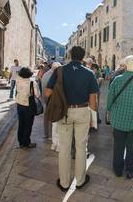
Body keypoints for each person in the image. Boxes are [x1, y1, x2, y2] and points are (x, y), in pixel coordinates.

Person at [44, 46, 99, 192]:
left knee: (65, 148)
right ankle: (80, 180)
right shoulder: (89, 73)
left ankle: (64, 182)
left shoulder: (59, 70)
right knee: (81, 147)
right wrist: (93, 119)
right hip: (82, 111)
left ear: (69, 55)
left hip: (64, 112)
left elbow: (48, 92)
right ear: (82, 57)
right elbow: (93, 100)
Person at [107, 55, 133, 179]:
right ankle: (131, 169)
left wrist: (109, 110)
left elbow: (110, 98)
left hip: (118, 119)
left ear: (125, 65)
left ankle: (118, 169)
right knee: (132, 146)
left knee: (118, 145)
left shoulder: (117, 80)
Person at [16, 67, 40, 148]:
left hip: (19, 105)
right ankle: (26, 142)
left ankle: (21, 142)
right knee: (28, 125)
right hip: (28, 106)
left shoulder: (18, 81)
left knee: (21, 124)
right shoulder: (32, 83)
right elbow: (37, 95)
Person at [41, 62, 62, 142]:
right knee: (53, 118)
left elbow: (42, 88)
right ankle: (52, 136)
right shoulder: (56, 76)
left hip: (46, 99)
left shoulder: (45, 74)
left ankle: (46, 134)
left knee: (46, 117)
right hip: (54, 100)